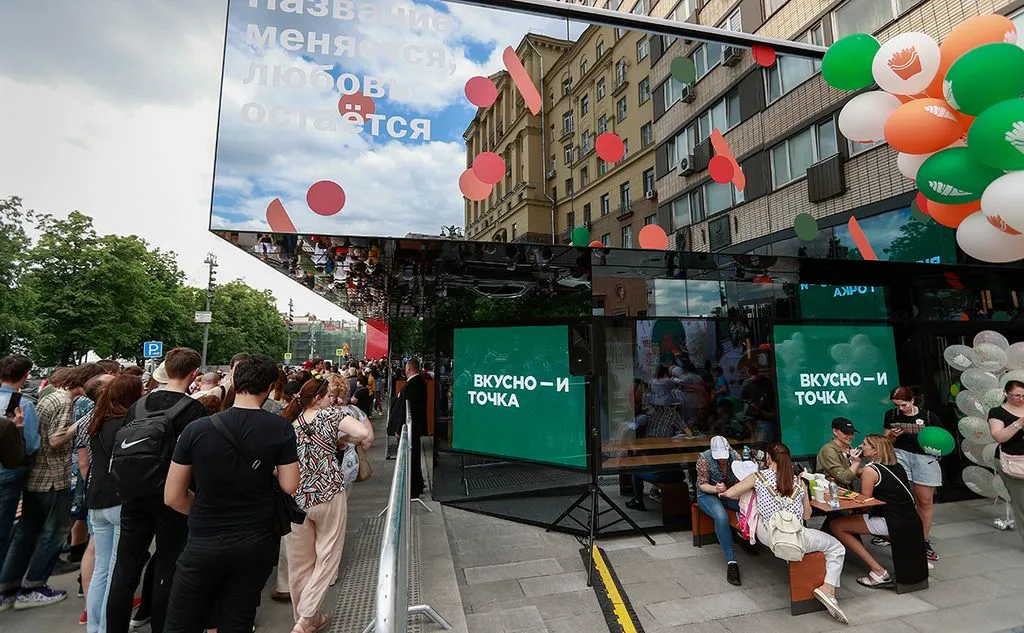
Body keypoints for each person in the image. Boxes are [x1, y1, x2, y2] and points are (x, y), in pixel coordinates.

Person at [162, 355, 299, 633]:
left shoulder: (196, 429)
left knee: (181, 621)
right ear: (269, 387)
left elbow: (173, 496)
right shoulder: (280, 427)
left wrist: (203, 510)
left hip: (203, 540)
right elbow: (290, 485)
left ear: (234, 382)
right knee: (238, 619)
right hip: (255, 540)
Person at [106, 347, 206, 633]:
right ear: (193, 374)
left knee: (124, 569)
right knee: (167, 567)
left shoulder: (138, 406)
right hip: (172, 498)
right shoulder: (194, 410)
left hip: (133, 494)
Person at [0, 362, 104, 610]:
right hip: (52, 476)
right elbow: (55, 440)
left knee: (27, 531)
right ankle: (33, 586)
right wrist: (79, 426)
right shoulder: (64, 402)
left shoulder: (49, 397)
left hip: (37, 475)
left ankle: (9, 587)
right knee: (55, 531)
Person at [723, 443, 848, 624]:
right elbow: (807, 515)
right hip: (794, 537)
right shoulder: (799, 482)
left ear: (768, 457)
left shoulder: (758, 477)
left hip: (767, 535)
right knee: (836, 547)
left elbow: (730, 493)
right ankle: (828, 588)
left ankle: (813, 581)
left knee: (800, 546)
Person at [283, 376, 369, 633]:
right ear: (319, 398)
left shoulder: (291, 422)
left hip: (297, 497)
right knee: (327, 555)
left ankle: (305, 619)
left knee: (299, 564)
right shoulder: (329, 415)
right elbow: (363, 433)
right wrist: (342, 440)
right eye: (328, 396)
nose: (332, 400)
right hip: (328, 492)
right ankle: (307, 616)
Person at [80, 374, 143, 633]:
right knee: (116, 570)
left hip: (97, 498)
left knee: (102, 568)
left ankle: (95, 626)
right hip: (118, 499)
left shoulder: (97, 421)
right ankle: (108, 626)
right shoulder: (127, 424)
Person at [829, 435, 928, 589]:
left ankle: (878, 572)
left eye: (865, 444)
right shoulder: (897, 466)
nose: (861, 446)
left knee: (837, 525)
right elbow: (865, 472)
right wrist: (856, 464)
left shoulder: (870, 470)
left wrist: (847, 504)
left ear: (874, 450)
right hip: (909, 519)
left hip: (889, 520)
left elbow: (866, 503)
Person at [883, 386, 941, 561]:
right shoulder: (892, 415)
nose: (901, 409)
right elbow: (886, 440)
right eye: (897, 405)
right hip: (900, 454)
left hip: (925, 457)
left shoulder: (928, 416)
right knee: (900, 497)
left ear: (912, 400)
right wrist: (893, 435)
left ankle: (922, 540)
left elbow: (940, 440)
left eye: (904, 405)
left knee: (924, 501)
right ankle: (897, 534)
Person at [0, 355, 40, 562]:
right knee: (3, 530)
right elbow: (32, 444)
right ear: (25, 376)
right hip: (8, 472)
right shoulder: (23, 404)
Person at [694, 436, 745, 586]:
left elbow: (741, 480)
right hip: (708, 494)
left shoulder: (735, 456)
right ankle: (731, 560)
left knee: (747, 508)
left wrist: (731, 490)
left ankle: (745, 538)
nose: (722, 460)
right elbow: (702, 485)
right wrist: (716, 489)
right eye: (719, 457)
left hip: (730, 492)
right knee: (721, 517)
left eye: (724, 456)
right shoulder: (704, 459)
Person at [988, 379, 1024, 548]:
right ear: (1006, 394)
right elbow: (999, 437)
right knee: (1021, 503)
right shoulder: (997, 412)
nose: (1021, 399)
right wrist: (1019, 423)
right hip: (1013, 462)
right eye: (1017, 395)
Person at [387, 358, 428, 498]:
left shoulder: (414, 384)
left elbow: (406, 408)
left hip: (411, 428)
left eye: (406, 368)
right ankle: (417, 484)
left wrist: (399, 428)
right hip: (412, 427)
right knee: (413, 456)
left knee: (411, 458)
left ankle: (413, 488)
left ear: (409, 368)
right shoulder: (415, 382)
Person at [816, 418, 862, 489]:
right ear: (835, 431)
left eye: (852, 433)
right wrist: (856, 463)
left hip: (848, 491)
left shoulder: (849, 448)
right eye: (846, 433)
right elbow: (844, 478)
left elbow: (851, 472)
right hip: (832, 491)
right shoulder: (829, 450)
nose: (850, 436)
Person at [646, 366, 692, 438]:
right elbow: (679, 385)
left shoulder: (652, 381)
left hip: (655, 405)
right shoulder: (667, 381)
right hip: (666, 403)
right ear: (665, 373)